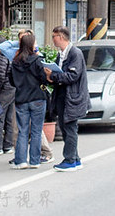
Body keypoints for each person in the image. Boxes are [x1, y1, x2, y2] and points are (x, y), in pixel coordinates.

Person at [45, 26, 87, 172]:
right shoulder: (61, 54)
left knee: (69, 127)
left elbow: (73, 76)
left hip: (72, 97)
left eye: (54, 36)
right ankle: (75, 159)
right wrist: (51, 76)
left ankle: (69, 160)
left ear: (61, 37)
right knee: (65, 127)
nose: (53, 39)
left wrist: (54, 76)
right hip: (62, 96)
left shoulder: (75, 53)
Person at [8, 33, 49, 170]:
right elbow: (44, 79)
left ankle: (20, 161)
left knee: (22, 130)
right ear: (32, 45)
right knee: (37, 131)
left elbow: (12, 81)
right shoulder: (37, 60)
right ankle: (35, 161)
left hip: (21, 99)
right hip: (37, 98)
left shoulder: (15, 61)